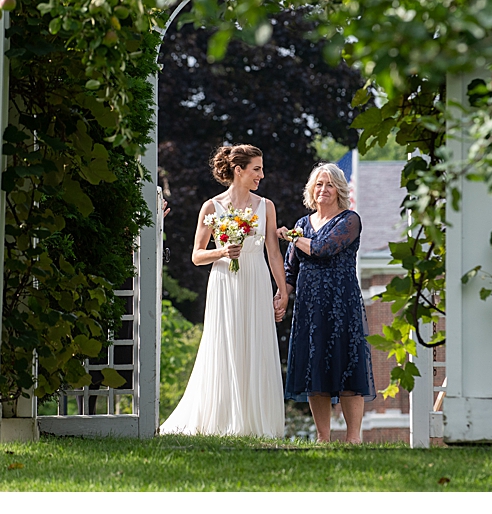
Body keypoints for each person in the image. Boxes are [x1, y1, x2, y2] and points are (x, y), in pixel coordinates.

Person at [160, 144, 287, 437]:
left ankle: (257, 424)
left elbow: (274, 252)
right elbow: (196, 255)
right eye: (256, 169)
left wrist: (282, 290)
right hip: (225, 282)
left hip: (256, 278)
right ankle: (223, 421)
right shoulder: (211, 207)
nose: (262, 175)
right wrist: (222, 252)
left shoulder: (266, 206)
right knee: (226, 343)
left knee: (256, 343)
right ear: (238, 170)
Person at [277, 163, 375, 443]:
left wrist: (293, 238)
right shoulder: (302, 224)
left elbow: (323, 249)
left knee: (348, 367)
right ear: (311, 189)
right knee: (314, 368)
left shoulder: (349, 220)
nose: (323, 190)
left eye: (329, 184)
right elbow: (290, 270)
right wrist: (282, 296)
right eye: (319, 184)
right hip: (309, 306)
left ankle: (353, 438)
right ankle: (323, 437)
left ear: (340, 190)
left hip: (342, 304)